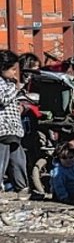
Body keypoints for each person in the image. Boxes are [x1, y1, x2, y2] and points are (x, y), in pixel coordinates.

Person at [0, 50, 29, 194]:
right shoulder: (3, 84)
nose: (14, 73)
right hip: (3, 128)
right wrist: (15, 88)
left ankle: (22, 187)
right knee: (2, 160)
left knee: (18, 160)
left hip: (13, 129)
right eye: (12, 69)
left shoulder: (7, 83)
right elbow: (3, 99)